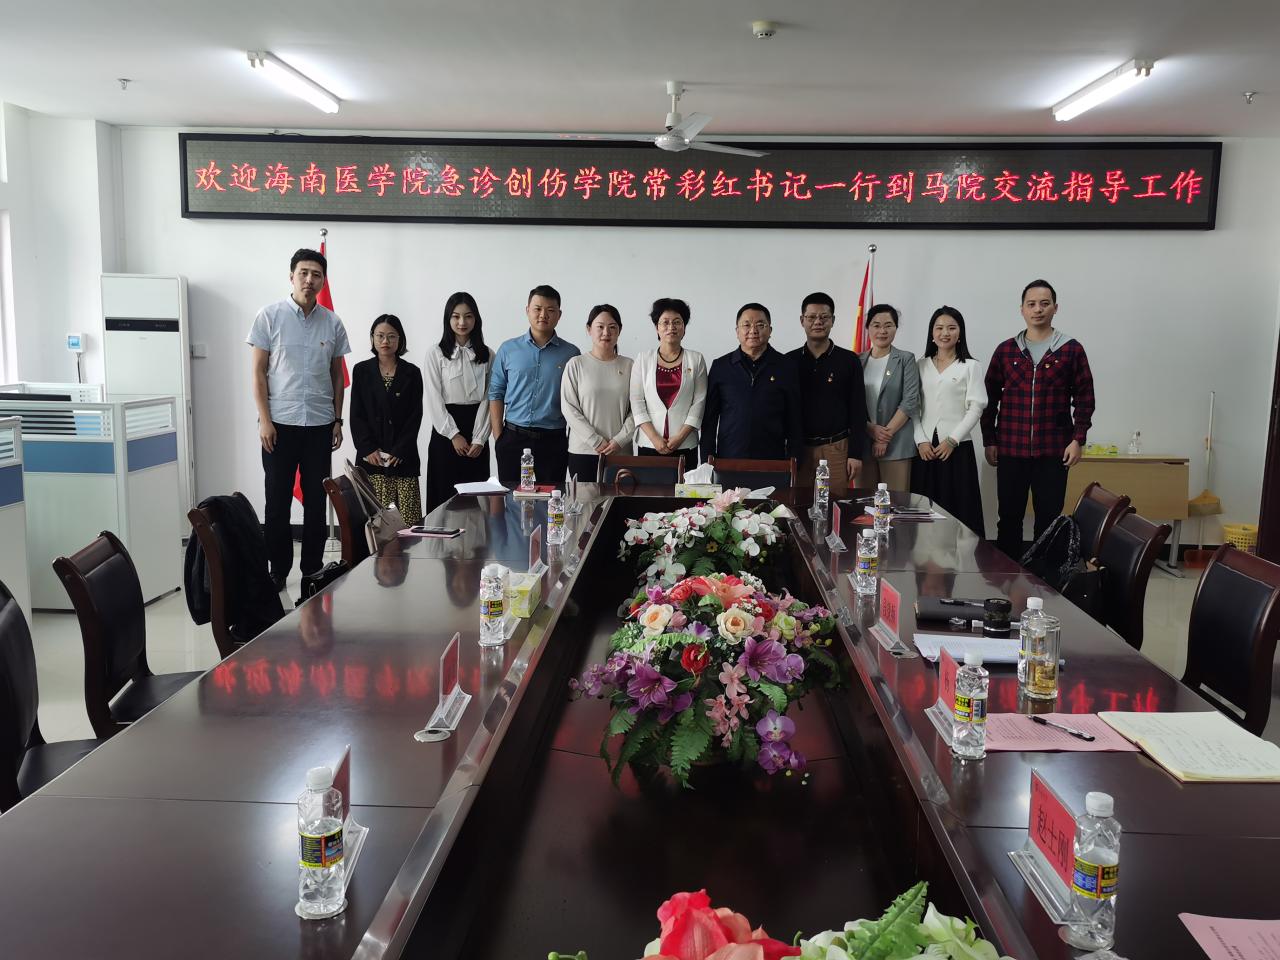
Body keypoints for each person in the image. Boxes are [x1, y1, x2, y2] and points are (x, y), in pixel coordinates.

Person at [247, 248, 350, 592]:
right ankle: (278, 569)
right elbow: (258, 373)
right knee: (276, 501)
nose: (309, 280)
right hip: (279, 425)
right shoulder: (269, 316)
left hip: (319, 424)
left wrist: (338, 420)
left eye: (316, 274)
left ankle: (311, 570)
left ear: (323, 281)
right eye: (303, 273)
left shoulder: (332, 322)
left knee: (316, 501)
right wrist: (264, 420)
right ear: (291, 276)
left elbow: (337, 375)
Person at [982, 279, 1095, 560]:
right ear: (1022, 309)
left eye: (1045, 304)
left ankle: (1044, 578)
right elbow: (988, 398)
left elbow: (1085, 397)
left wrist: (1078, 439)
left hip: (1054, 451)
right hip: (1011, 448)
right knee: (1009, 517)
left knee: (1049, 520)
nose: (1038, 309)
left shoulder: (1071, 349)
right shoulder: (1006, 350)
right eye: (1031, 304)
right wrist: (989, 440)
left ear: (1056, 308)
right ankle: (1006, 575)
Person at [488, 284, 580, 485]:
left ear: (559, 314)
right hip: (513, 437)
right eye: (537, 308)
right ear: (527, 310)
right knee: (511, 497)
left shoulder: (571, 354)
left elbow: (576, 400)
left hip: (553, 440)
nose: (543, 315)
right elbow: (495, 392)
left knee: (552, 498)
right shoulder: (508, 349)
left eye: (550, 310)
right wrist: (498, 437)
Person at [911, 306, 988, 535]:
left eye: (952, 328)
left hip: (957, 448)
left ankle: (963, 555)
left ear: (960, 332)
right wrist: (920, 440)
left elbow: (976, 407)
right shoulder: (920, 365)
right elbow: (913, 407)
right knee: (923, 509)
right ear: (932, 333)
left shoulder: (971, 366)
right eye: (939, 328)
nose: (945, 333)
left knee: (959, 509)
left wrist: (953, 440)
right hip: (925, 449)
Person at [701, 303, 803, 469]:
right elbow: (709, 420)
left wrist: (794, 461)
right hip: (729, 459)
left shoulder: (786, 366)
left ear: (770, 330)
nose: (753, 330)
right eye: (746, 325)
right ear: (737, 331)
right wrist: (707, 463)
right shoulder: (721, 366)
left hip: (773, 460)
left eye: (760, 325)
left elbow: (795, 419)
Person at [350, 314, 425, 525]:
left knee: (408, 525)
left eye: (391, 336)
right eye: (380, 336)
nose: (385, 341)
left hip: (403, 459)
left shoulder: (412, 372)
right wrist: (367, 448)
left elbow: (415, 416)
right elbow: (357, 414)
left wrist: (400, 450)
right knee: (374, 524)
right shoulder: (361, 371)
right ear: (372, 338)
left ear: (400, 339)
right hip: (371, 460)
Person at [789, 292, 866, 497]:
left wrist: (856, 454)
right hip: (799, 450)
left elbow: (858, 409)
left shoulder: (849, 361)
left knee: (834, 504)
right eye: (811, 317)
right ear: (802, 320)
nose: (818, 322)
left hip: (836, 449)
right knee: (798, 504)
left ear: (833, 320)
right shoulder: (788, 362)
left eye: (824, 317)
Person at [423, 292, 492, 515]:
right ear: (448, 319)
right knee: (444, 498)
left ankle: (476, 540)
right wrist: (453, 434)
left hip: (477, 429)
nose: (462, 322)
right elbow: (434, 397)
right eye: (456, 316)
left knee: (475, 501)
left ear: (476, 319)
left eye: (468, 316)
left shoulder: (487, 354)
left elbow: (489, 398)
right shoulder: (435, 353)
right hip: (446, 433)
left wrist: (480, 438)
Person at [561, 304, 635, 481]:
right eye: (600, 327)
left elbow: (637, 410)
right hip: (584, 451)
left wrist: (620, 440)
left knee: (620, 498)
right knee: (585, 498)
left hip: (620, 451)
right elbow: (569, 408)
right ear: (589, 329)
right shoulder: (576, 364)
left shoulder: (630, 366)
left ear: (619, 330)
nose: (606, 333)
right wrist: (595, 440)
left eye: (612, 327)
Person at [631, 298, 708, 464]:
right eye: (665, 322)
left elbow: (699, 402)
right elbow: (636, 402)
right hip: (649, 443)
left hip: (685, 443)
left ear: (684, 327)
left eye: (677, 322)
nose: (671, 327)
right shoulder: (643, 359)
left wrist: (680, 437)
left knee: (684, 482)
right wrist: (654, 437)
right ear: (657, 328)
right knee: (649, 482)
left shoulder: (696, 359)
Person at [859, 304, 921, 492]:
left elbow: (910, 401)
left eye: (888, 325)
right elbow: (852, 403)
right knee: (863, 502)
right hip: (864, 443)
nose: (882, 331)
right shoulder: (857, 361)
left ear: (896, 328)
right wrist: (870, 429)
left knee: (895, 502)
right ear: (867, 327)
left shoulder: (906, 359)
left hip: (897, 444)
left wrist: (884, 437)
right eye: (876, 325)